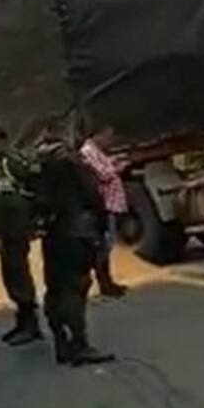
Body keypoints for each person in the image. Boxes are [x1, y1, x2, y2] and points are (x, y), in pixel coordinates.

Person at [35, 130, 115, 366]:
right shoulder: (74, 165)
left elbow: (38, 203)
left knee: (55, 287)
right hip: (77, 233)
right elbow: (94, 196)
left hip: (53, 235)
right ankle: (79, 344)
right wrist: (102, 229)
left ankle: (61, 342)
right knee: (75, 288)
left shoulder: (41, 169)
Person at [0, 124, 43, 346]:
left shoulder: (13, 162)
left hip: (16, 227)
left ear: (1, 142)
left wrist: (32, 218)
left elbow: (33, 185)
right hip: (5, 228)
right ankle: (22, 320)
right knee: (10, 273)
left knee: (18, 272)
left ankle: (31, 323)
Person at [80, 122, 130, 298]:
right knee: (103, 245)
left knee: (106, 245)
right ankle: (104, 283)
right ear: (97, 135)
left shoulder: (96, 152)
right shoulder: (87, 152)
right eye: (108, 136)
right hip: (103, 205)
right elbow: (102, 174)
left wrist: (114, 162)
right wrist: (117, 168)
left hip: (110, 205)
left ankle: (107, 282)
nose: (110, 140)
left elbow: (105, 166)